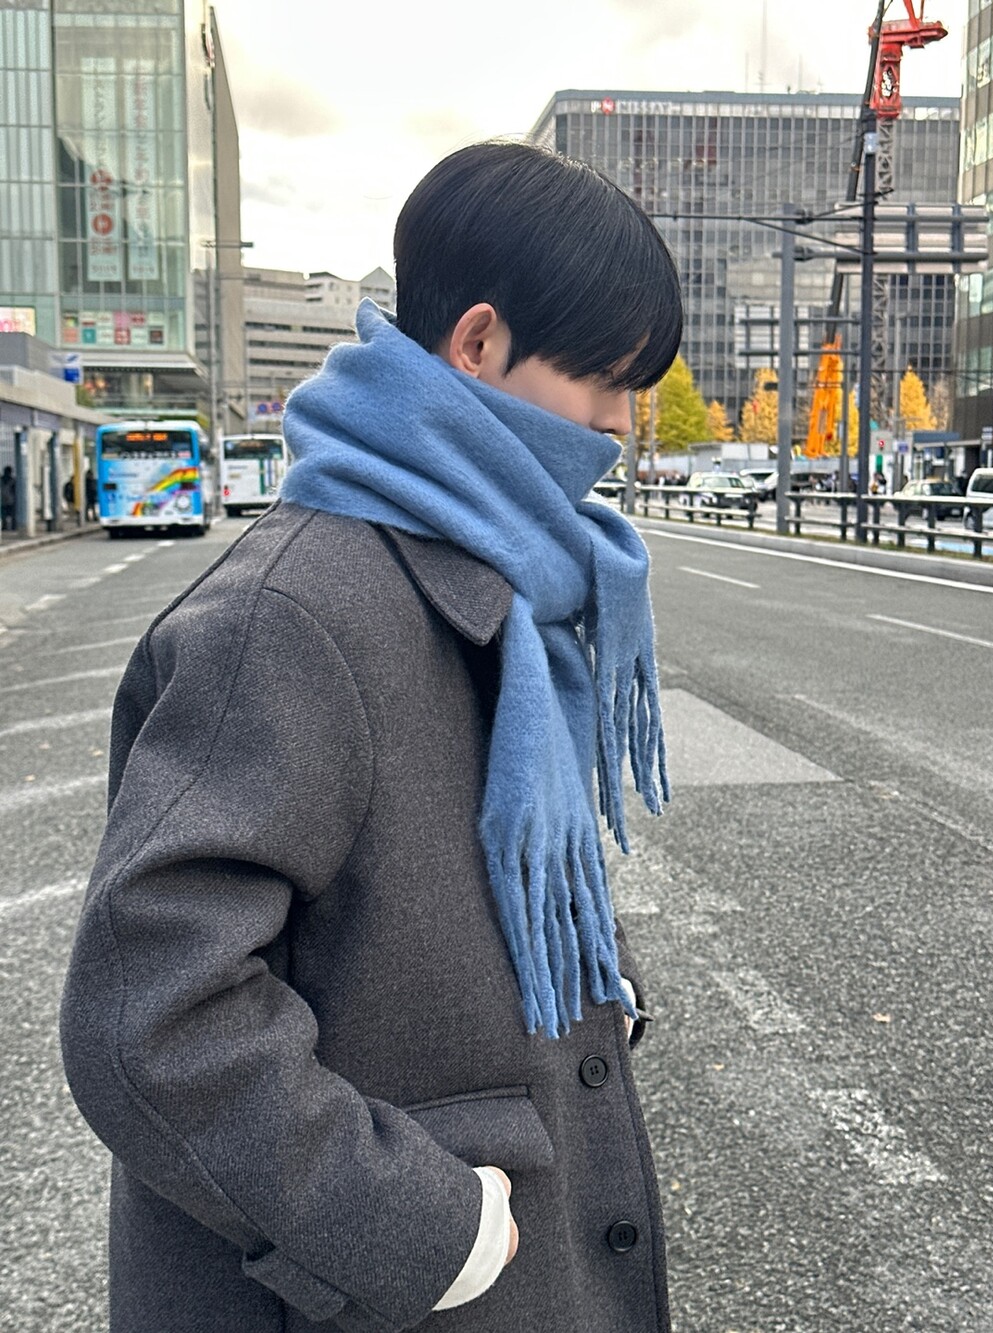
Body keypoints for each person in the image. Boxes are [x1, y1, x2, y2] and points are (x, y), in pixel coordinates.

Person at [60, 140, 681, 1333]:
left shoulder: (492, 577)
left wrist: (587, 984)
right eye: (604, 378)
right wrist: (417, 1224)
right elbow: (150, 1016)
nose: (617, 425)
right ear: (478, 343)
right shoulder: (290, 616)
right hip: (380, 1290)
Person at [1, 464, 16, 531]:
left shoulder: (2, 479)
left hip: (5, 500)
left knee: (5, 514)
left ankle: (6, 526)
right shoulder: (12, 480)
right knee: (10, 514)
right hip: (9, 500)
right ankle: (11, 527)